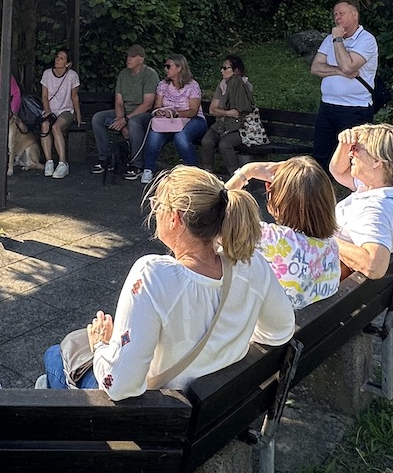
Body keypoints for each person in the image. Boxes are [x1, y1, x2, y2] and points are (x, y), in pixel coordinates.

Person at [42, 166, 295, 397]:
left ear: (175, 217)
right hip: (217, 410)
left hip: (162, 415)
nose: (155, 210)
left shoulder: (153, 275)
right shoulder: (251, 263)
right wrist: (222, 348)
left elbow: (119, 386)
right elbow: (280, 330)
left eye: (157, 204)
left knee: (56, 356)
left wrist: (100, 344)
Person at [230, 156, 341, 309]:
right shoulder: (332, 247)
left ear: (274, 195)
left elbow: (211, 212)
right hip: (316, 322)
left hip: (268, 324)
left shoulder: (268, 238)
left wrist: (247, 172)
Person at [328, 123, 393, 280]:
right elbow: (338, 171)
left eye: (355, 149)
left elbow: (374, 266)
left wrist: (323, 239)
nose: (350, 154)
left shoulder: (374, 210)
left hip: (329, 276)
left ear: (376, 160)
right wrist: (344, 145)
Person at [310, 0, 380, 171]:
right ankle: (320, 186)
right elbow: (315, 68)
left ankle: (352, 187)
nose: (337, 18)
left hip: (354, 108)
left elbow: (349, 66)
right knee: (321, 156)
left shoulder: (366, 40)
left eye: (341, 13)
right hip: (327, 106)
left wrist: (338, 39)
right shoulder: (330, 39)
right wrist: (339, 71)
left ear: (355, 15)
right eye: (335, 14)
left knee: (353, 159)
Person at [91, 44, 159, 178]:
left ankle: (136, 164)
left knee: (134, 123)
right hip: (124, 114)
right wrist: (121, 123)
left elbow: (147, 104)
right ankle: (105, 159)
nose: (128, 59)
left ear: (141, 59)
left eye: (132, 56)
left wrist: (126, 120)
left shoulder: (150, 75)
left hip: (143, 115)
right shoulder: (123, 74)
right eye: (128, 56)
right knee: (98, 119)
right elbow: (118, 102)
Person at [138, 54, 208, 184]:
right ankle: (148, 169)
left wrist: (175, 113)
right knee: (154, 134)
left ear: (179, 68)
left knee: (181, 136)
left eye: (168, 66)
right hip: (168, 122)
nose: (165, 69)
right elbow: (157, 106)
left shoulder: (192, 85)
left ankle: (193, 172)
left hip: (193, 119)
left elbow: (193, 111)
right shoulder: (163, 85)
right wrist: (160, 112)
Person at [201, 54, 256, 175]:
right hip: (221, 125)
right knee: (207, 141)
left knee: (225, 144)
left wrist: (223, 112)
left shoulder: (244, 86)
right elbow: (212, 110)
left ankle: (236, 175)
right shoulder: (221, 86)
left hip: (241, 127)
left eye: (225, 68)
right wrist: (228, 113)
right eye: (222, 68)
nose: (222, 71)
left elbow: (241, 111)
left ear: (236, 70)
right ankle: (208, 173)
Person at [39, 48, 82, 179]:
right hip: (50, 110)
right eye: (57, 57)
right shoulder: (47, 74)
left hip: (66, 110)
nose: (57, 60)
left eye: (61, 58)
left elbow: (74, 96)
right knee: (45, 126)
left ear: (68, 63)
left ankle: (63, 163)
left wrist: (78, 116)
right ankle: (49, 161)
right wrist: (47, 111)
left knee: (56, 127)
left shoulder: (72, 76)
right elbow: (44, 95)